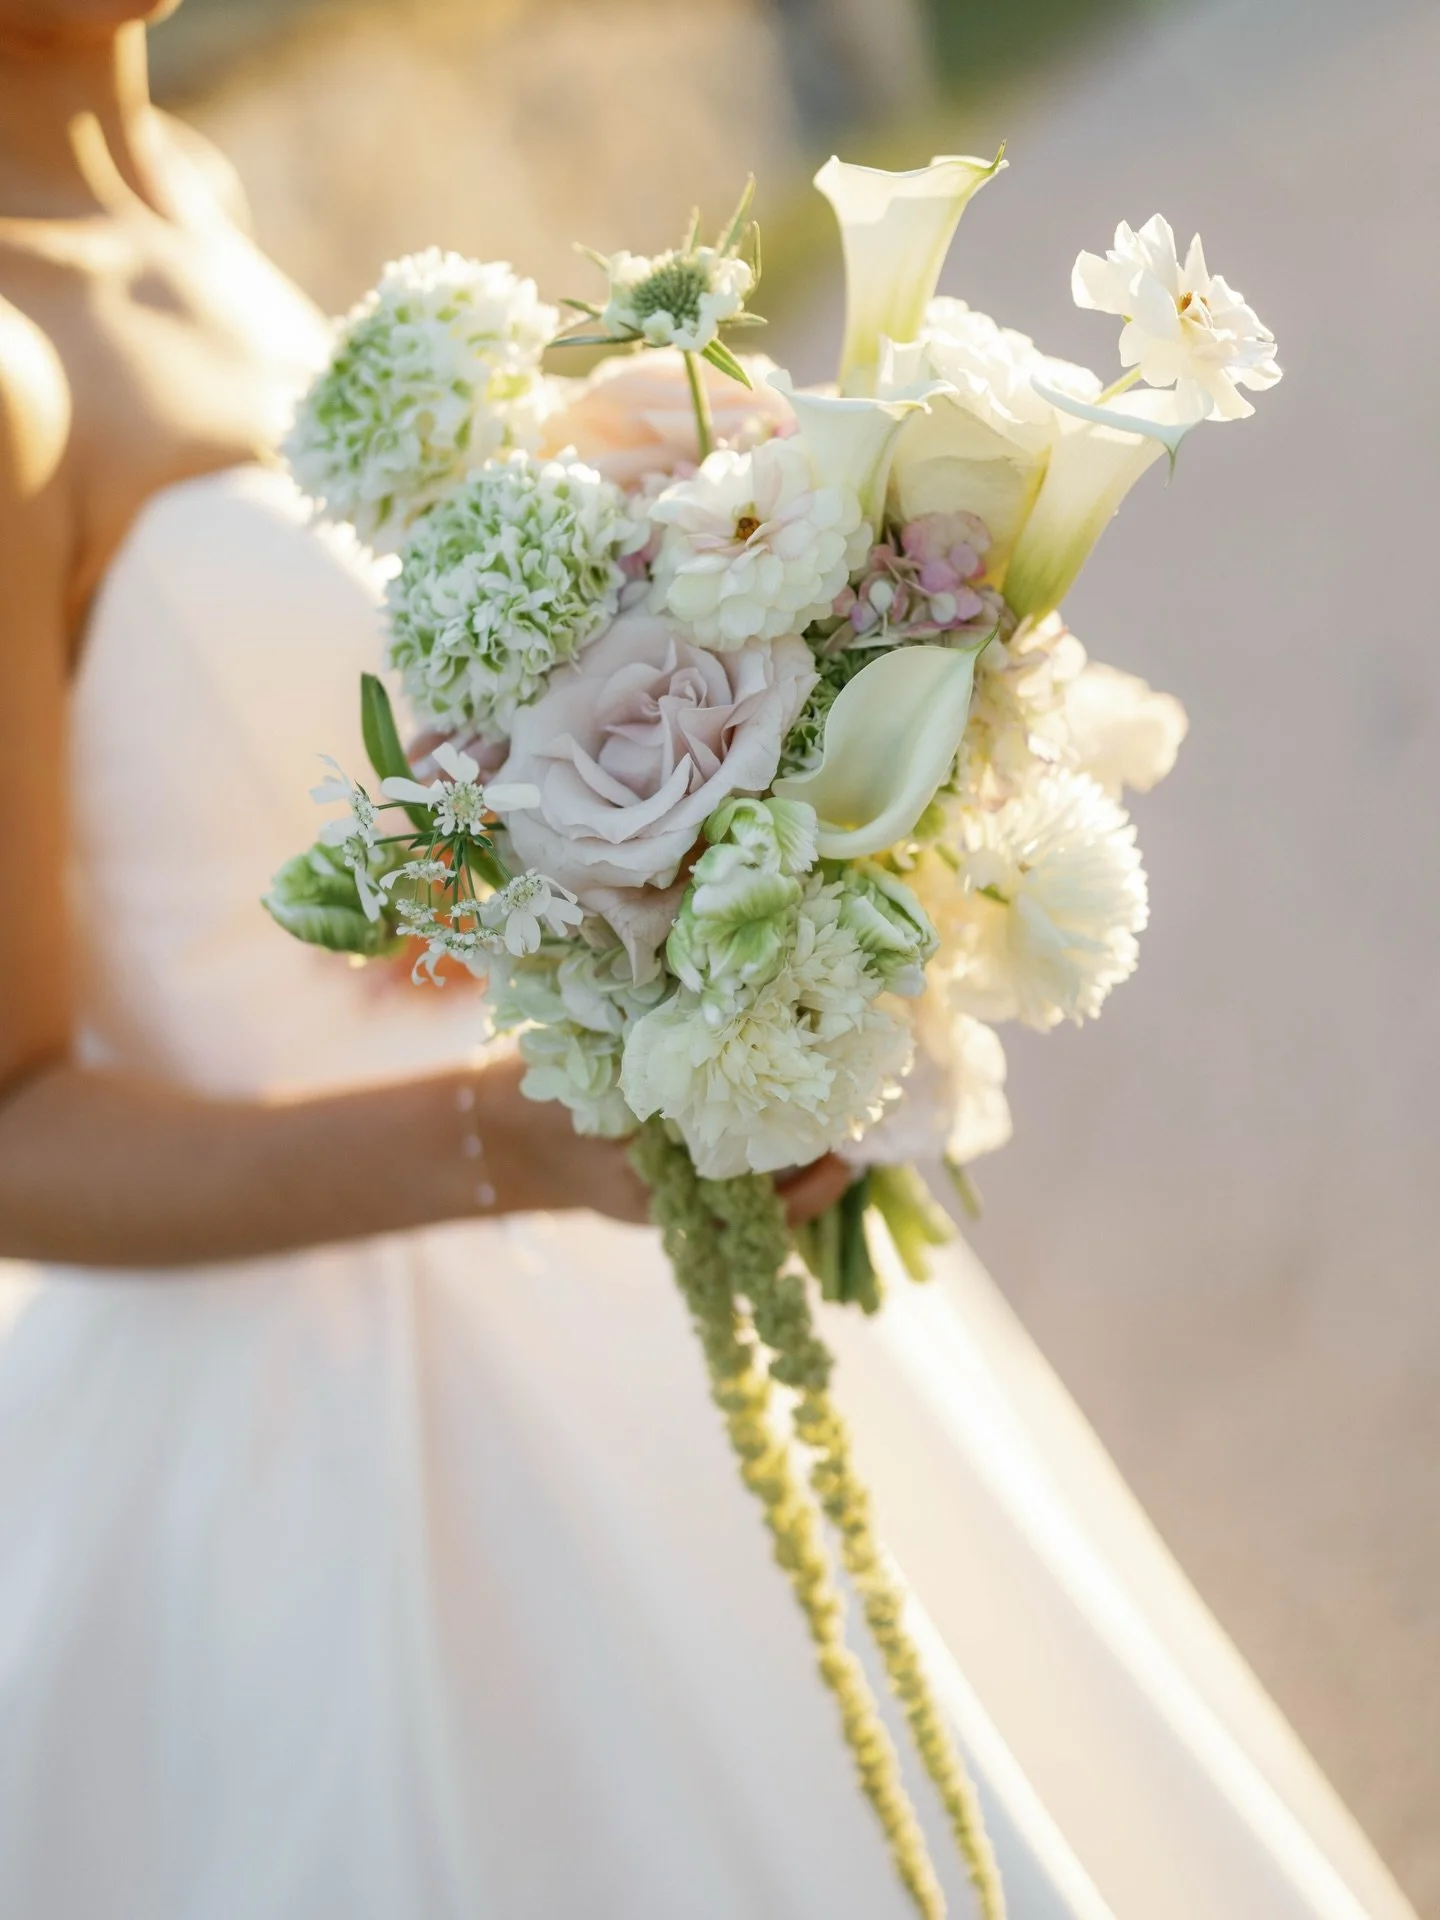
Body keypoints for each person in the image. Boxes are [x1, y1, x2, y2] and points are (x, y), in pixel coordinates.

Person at [0, 7, 1416, 1917]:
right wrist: (513, 1137)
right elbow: (15, 1124)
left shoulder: (179, 183)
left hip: (596, 1198)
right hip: (325, 1408)